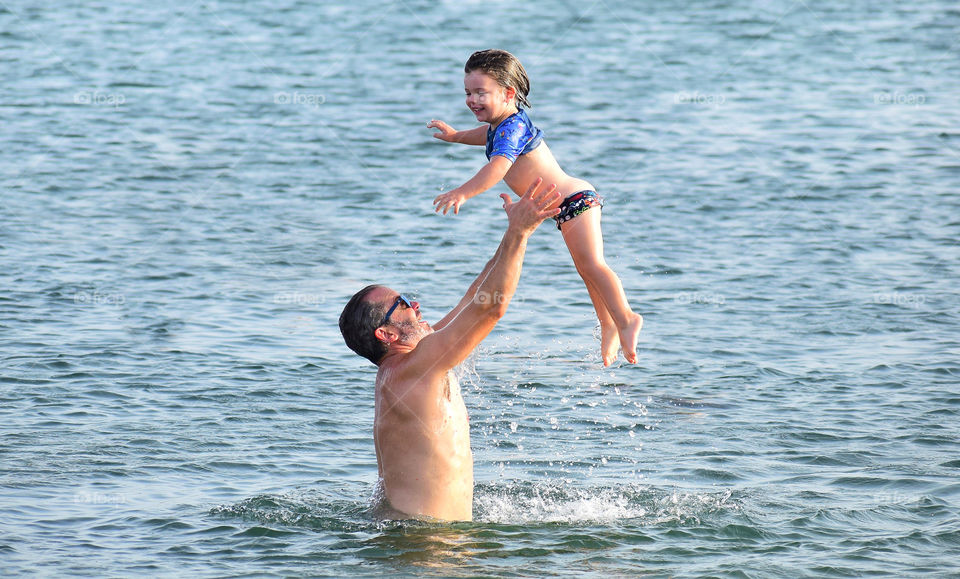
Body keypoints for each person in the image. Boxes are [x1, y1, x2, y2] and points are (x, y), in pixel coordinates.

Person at [339, 178, 562, 522]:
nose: (414, 303)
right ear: (385, 333)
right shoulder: (413, 371)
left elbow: (475, 297)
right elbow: (490, 309)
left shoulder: (411, 364)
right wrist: (519, 234)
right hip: (428, 550)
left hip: (417, 541)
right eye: (401, 303)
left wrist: (516, 230)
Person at [428, 49, 643, 366]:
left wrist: (463, 192)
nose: (472, 100)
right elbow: (485, 136)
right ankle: (609, 323)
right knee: (586, 271)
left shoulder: (512, 128)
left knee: (594, 265)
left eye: (480, 93)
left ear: (508, 93)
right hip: (566, 206)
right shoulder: (500, 125)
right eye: (468, 93)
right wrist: (457, 136)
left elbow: (498, 167)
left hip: (575, 200)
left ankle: (626, 318)